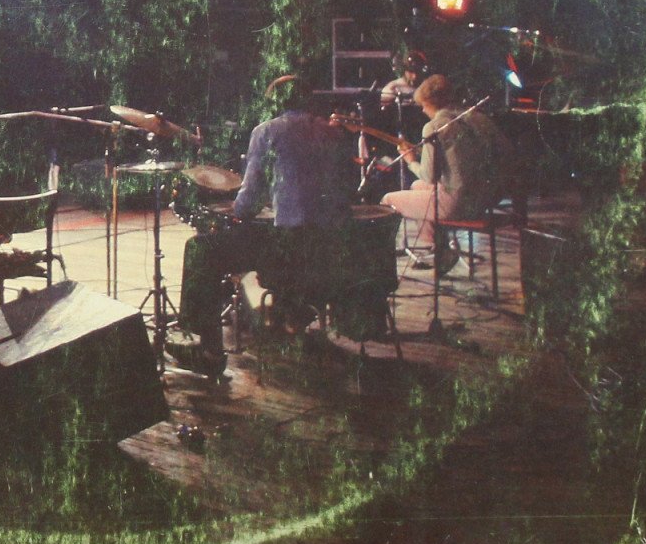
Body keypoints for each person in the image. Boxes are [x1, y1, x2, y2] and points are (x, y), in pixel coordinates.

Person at [167, 74, 354, 378]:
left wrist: (239, 207)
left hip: (286, 250)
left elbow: (248, 203)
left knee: (201, 249)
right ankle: (285, 316)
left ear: (276, 104)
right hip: (329, 248)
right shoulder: (334, 134)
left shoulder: (267, 131)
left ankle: (208, 350)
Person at [380, 74, 511, 271]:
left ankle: (384, 267)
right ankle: (440, 249)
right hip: (486, 200)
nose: (422, 110)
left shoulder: (433, 126)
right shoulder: (478, 118)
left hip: (458, 204)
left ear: (430, 103)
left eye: (423, 106)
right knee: (416, 187)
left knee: (387, 200)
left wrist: (410, 160)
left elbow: (429, 176)